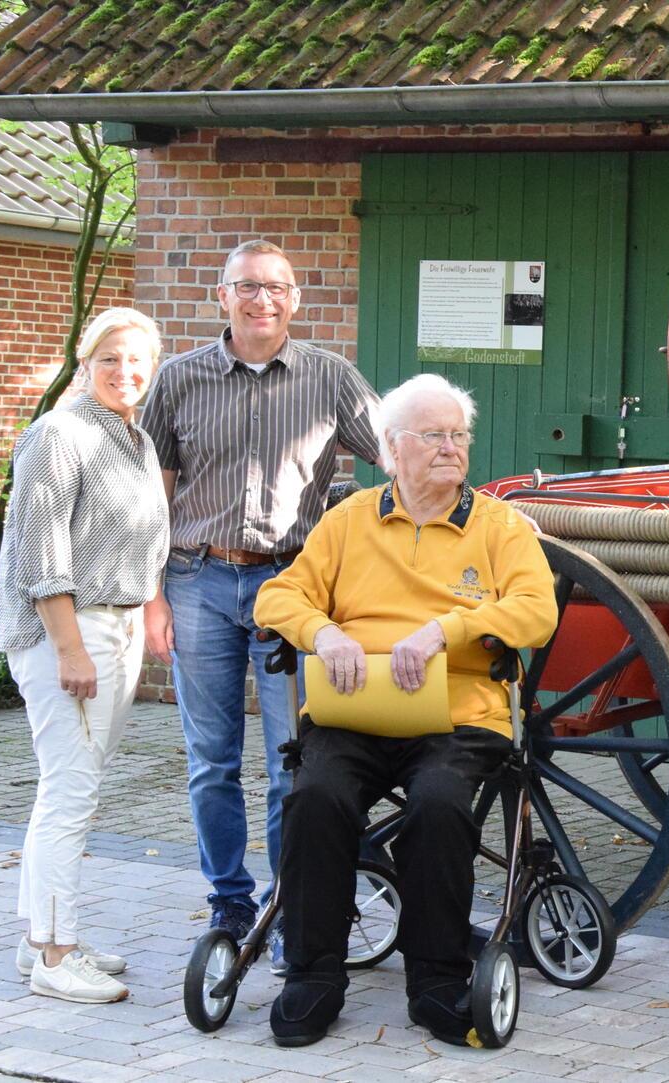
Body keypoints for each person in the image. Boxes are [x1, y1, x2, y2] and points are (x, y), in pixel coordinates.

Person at [253, 374, 555, 1047]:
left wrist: (446, 629)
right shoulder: (349, 519)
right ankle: (313, 977)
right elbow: (277, 598)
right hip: (356, 711)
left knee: (440, 803)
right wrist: (323, 633)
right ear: (390, 447)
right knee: (315, 796)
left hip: (459, 717)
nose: (451, 448)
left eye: (458, 435)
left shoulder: (499, 525)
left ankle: (438, 980)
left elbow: (538, 610)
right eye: (433, 435)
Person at [140, 239, 382, 960]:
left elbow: (394, 455)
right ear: (223, 296)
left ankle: (290, 906)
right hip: (198, 581)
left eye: (276, 287)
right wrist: (151, 596)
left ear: (295, 299)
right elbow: (151, 497)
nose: (262, 300)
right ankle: (229, 903)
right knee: (211, 758)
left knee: (293, 762)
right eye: (246, 286)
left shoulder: (331, 376)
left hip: (294, 588)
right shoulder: (179, 380)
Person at [0, 308, 169, 1004]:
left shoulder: (133, 437)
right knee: (70, 792)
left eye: (137, 360)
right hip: (69, 633)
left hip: (113, 629)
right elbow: (42, 555)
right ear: (83, 359)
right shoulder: (58, 435)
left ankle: (40, 933)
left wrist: (145, 611)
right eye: (110, 358)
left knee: (68, 788)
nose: (125, 371)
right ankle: (57, 957)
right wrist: (69, 646)